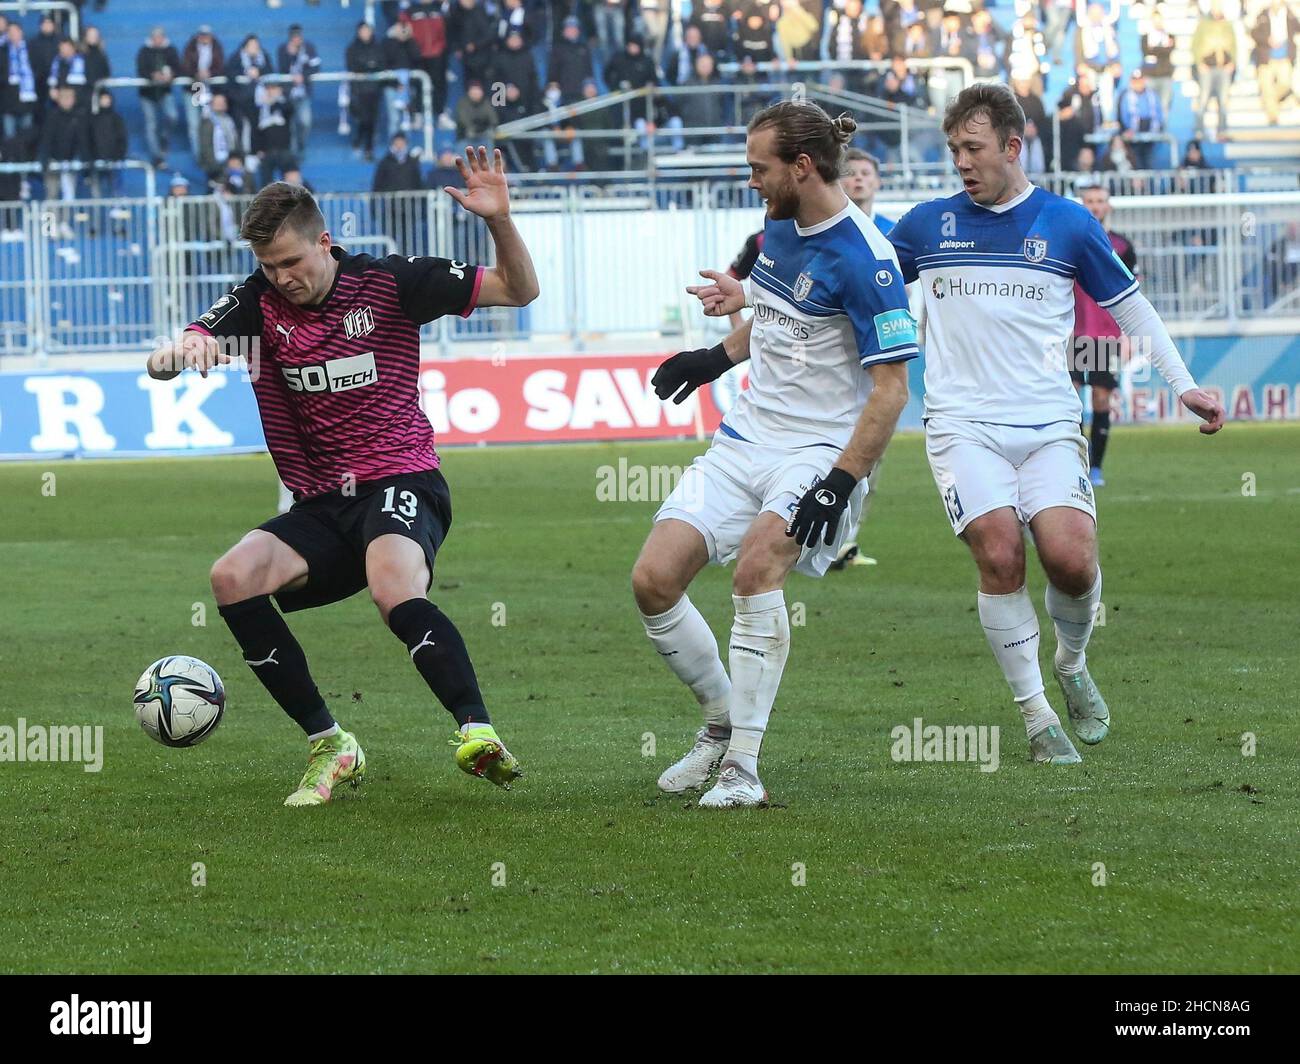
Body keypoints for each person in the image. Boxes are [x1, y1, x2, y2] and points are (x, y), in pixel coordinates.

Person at [145, 151, 539, 806]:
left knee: (392, 588)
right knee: (231, 577)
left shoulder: (392, 282)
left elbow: (518, 290)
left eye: (293, 263)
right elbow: (166, 359)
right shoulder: (256, 300)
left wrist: (501, 221)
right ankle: (331, 744)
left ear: (325, 241)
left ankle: (477, 731)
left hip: (402, 481)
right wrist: (183, 350)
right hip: (325, 505)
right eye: (270, 267)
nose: (283, 278)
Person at [883, 83, 1225, 766]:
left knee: (1072, 562)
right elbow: (862, 284)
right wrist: (754, 298)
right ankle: (1039, 720)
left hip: (1046, 422)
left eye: (973, 148)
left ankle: (1071, 663)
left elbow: (1131, 309)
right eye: (954, 150)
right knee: (1001, 553)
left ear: (1014, 146)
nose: (962, 162)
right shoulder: (926, 226)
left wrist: (1182, 386)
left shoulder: (1068, 223)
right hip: (961, 425)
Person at [638, 102, 917, 807]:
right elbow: (772, 321)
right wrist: (711, 359)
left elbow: (891, 391)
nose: (751, 181)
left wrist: (839, 482)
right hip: (745, 438)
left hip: (818, 451)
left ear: (801, 166)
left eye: (759, 168)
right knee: (652, 580)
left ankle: (742, 768)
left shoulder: (867, 259)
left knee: (757, 573)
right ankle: (719, 720)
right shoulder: (776, 229)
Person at [828, 146, 897, 571]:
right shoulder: (828, 231)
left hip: (879, 357)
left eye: (865, 173)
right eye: (850, 172)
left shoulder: (892, 232)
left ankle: (845, 541)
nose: (857, 179)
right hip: (834, 357)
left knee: (873, 450)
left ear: (877, 181)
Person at [1069, 184, 1136, 488]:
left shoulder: (1122, 245)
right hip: (1070, 332)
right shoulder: (1068, 240)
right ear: (1083, 205)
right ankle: (1073, 464)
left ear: (1108, 206)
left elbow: (1131, 294)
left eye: (1100, 201)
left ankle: (1095, 467)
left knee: (1100, 398)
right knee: (1068, 400)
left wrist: (1130, 334)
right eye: (1090, 201)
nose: (1095, 206)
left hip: (1105, 334)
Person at [135, 26, 180, 168]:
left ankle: (164, 138)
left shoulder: (170, 50)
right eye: (155, 37)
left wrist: (171, 75)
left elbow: (177, 67)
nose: (158, 40)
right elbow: (141, 69)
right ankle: (157, 156)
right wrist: (152, 75)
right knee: (151, 124)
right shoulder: (144, 51)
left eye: (160, 37)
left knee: (172, 116)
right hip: (147, 93)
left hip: (165, 91)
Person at [1192, 1, 1236, 141]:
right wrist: (1199, 63)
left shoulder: (1227, 25)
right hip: (1208, 68)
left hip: (1223, 67)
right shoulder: (1203, 25)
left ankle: (1222, 132)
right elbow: (1195, 45)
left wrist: (1232, 62)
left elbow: (1234, 45)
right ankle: (1199, 131)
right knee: (1203, 100)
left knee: (1223, 102)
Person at [1253, 0, 1300, 126]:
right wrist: (1267, 40)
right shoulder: (1262, 15)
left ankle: (1270, 102)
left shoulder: (1289, 14)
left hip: (1285, 57)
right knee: (1266, 86)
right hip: (1266, 57)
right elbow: (1254, 33)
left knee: (1284, 84)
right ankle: (1273, 116)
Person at [278, 25, 320, 159]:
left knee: (305, 121)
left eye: (299, 36)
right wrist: (291, 55)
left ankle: (301, 145)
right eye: (294, 37)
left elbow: (316, 67)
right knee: (290, 125)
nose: (297, 39)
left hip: (303, 93)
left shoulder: (309, 48)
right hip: (288, 93)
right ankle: (293, 154)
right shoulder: (283, 49)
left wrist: (304, 76)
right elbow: (282, 69)